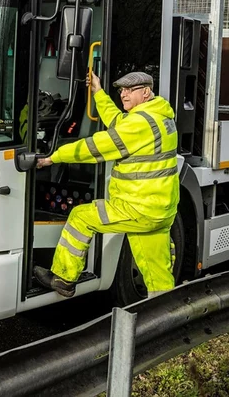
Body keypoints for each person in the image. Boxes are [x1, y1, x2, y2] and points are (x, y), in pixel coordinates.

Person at [34, 71, 180, 298]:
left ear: (146, 92)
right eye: (121, 90)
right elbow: (116, 121)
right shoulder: (159, 116)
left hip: (136, 208)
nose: (123, 94)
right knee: (158, 276)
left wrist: (53, 157)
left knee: (81, 217)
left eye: (130, 90)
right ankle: (165, 313)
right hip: (160, 210)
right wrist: (98, 92)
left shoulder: (139, 124)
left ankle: (63, 278)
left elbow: (95, 147)